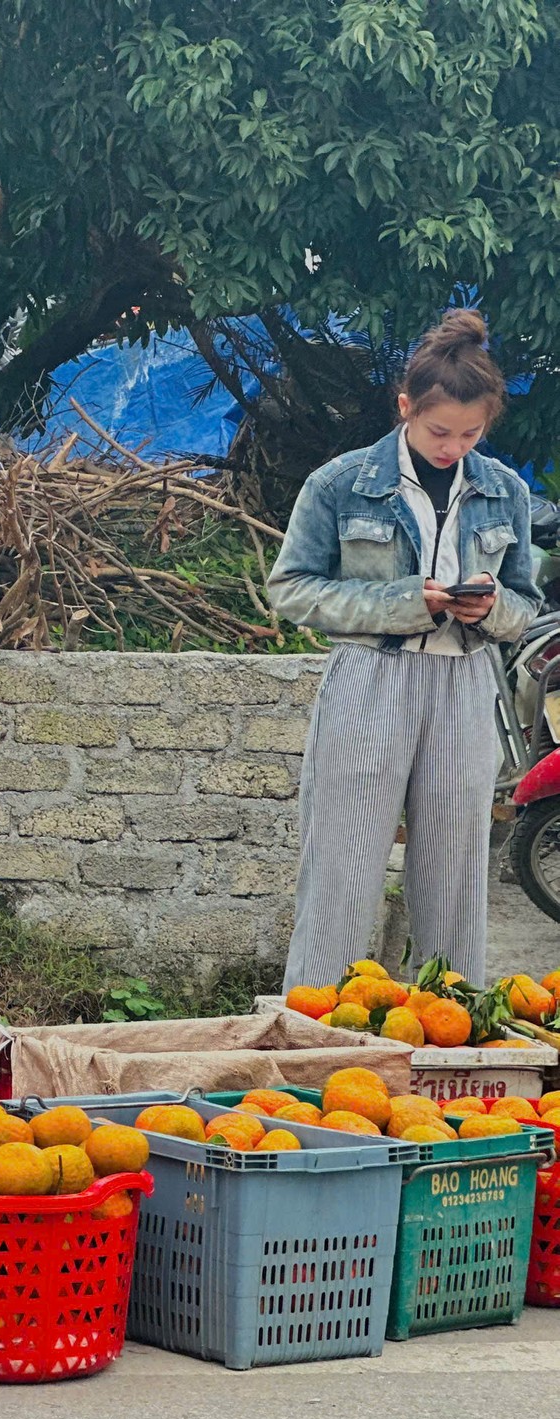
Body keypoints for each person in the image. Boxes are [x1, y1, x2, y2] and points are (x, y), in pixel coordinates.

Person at [269, 308, 538, 986]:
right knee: (343, 868)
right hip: (370, 678)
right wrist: (401, 603)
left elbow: (527, 603)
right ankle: (316, 1043)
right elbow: (292, 589)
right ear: (405, 408)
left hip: (466, 683)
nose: (453, 446)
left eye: (470, 432)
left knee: (455, 878)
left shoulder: (504, 489)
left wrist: (490, 606)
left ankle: (453, 1040)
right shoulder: (341, 482)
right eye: (439, 429)